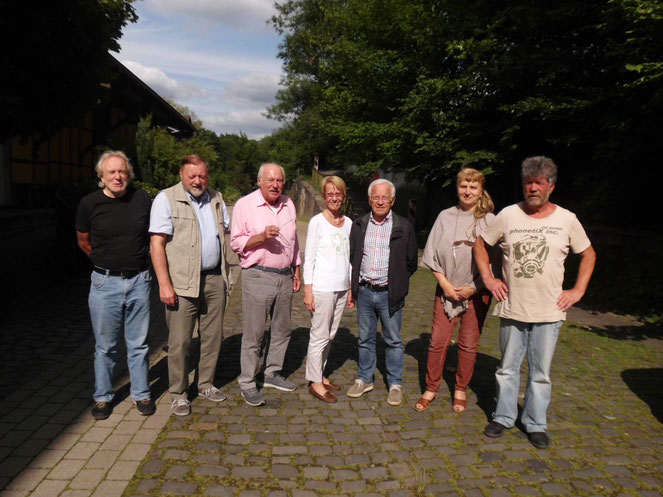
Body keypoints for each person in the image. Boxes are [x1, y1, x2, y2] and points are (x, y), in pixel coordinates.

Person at [474, 156, 596, 449]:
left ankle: (534, 423)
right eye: (528, 182)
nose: (532, 188)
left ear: (551, 186)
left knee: (540, 374)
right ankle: (503, 416)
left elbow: (588, 254)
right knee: (507, 368)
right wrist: (490, 279)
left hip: (549, 309)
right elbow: (480, 244)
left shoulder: (566, 219)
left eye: (539, 183)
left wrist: (578, 290)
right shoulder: (508, 215)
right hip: (514, 305)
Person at [76, 150, 155, 420]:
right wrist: (104, 264)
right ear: (102, 176)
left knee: (139, 344)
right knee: (105, 346)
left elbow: (153, 236)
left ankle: (142, 393)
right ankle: (103, 397)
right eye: (111, 172)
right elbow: (83, 241)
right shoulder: (89, 203)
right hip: (104, 283)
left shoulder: (142, 199)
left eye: (122, 171)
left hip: (139, 281)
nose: (117, 176)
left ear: (129, 174)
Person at [149, 154, 231, 416]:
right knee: (180, 342)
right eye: (192, 176)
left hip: (214, 278)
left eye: (202, 176)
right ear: (181, 175)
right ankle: (179, 393)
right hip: (182, 283)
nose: (198, 181)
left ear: (208, 175)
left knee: (212, 337)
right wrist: (164, 284)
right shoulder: (166, 199)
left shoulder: (216, 198)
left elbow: (227, 234)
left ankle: (205, 383)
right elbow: (157, 244)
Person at [414, 168, 496, 413]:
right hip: (446, 290)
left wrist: (473, 287)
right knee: (438, 342)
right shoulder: (444, 217)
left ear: (481, 190)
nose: (467, 191)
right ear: (457, 188)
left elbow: (497, 261)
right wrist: (446, 285)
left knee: (468, 344)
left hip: (477, 293)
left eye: (473, 187)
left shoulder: (491, 220)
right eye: (463, 186)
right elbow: (430, 255)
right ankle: (431, 387)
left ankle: (460, 389)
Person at [230, 163, 302, 407]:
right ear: (259, 181)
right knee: (255, 333)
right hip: (258, 275)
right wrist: (261, 236)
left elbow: (294, 240)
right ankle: (248, 382)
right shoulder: (244, 205)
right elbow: (236, 243)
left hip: (285, 274)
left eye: (280, 180)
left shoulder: (288, 204)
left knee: (282, 329)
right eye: (270, 180)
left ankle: (272, 373)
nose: (275, 185)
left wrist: (297, 269)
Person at [347, 178, 418, 406]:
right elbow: (353, 255)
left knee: (394, 340)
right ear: (369, 200)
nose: (380, 201)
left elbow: (411, 262)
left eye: (384, 197)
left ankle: (395, 383)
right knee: (365, 339)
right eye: (376, 197)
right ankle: (364, 378)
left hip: (390, 294)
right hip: (366, 292)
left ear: (392, 200)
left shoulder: (404, 226)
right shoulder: (359, 225)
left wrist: (397, 282)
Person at [303, 176, 354, 403]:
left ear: (343, 196)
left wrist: (351, 287)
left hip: (342, 287)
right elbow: (310, 258)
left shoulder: (349, 223)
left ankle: (320, 375)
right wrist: (308, 289)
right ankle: (314, 382)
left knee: (331, 335)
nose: (334, 198)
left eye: (338, 194)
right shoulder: (317, 222)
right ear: (324, 197)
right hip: (322, 287)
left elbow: (350, 260)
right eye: (330, 194)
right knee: (319, 335)